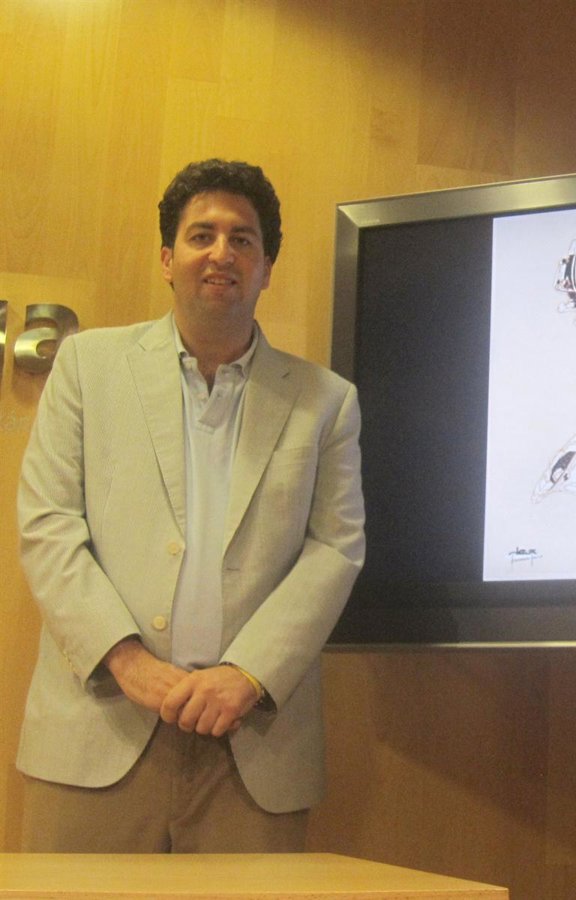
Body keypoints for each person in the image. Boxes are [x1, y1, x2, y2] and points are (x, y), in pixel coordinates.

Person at [16, 159, 366, 852]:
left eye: (243, 239)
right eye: (202, 235)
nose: (222, 252)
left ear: (267, 268)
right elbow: (48, 524)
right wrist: (128, 663)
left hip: (254, 744)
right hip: (98, 730)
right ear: (167, 258)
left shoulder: (327, 401)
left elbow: (335, 548)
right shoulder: (85, 368)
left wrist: (250, 674)